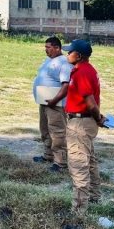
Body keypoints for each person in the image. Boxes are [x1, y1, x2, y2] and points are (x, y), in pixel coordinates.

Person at [62, 39, 106, 215]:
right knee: (90, 162)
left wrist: (99, 118)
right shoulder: (86, 69)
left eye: (69, 52)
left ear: (78, 56)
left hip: (80, 123)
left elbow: (90, 103)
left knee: (79, 165)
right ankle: (94, 197)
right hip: (85, 121)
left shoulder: (82, 73)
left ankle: (79, 211)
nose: (67, 54)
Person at [32, 37, 72, 172]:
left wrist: (54, 100)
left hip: (55, 103)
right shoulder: (49, 60)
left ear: (57, 48)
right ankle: (48, 155)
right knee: (45, 129)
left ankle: (60, 162)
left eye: (48, 47)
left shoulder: (64, 63)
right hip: (44, 101)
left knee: (57, 132)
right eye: (45, 47)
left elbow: (66, 86)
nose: (46, 50)